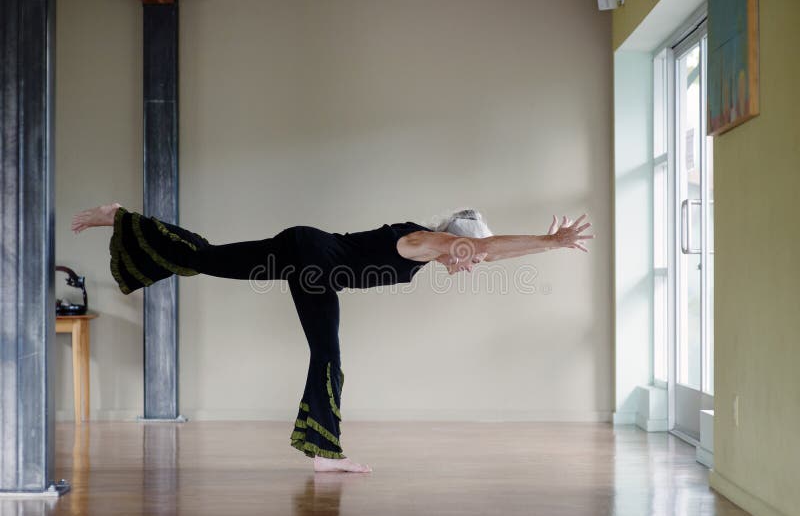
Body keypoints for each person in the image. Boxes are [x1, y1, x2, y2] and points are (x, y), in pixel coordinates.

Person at [71, 203, 594, 473]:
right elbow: (487, 247)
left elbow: (493, 250)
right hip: (313, 260)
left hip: (307, 252)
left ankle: (120, 217)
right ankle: (323, 451)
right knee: (327, 352)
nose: (477, 264)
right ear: (457, 241)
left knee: (204, 258)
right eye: (473, 255)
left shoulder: (432, 250)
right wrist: (550, 239)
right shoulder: (424, 241)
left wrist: (546, 250)